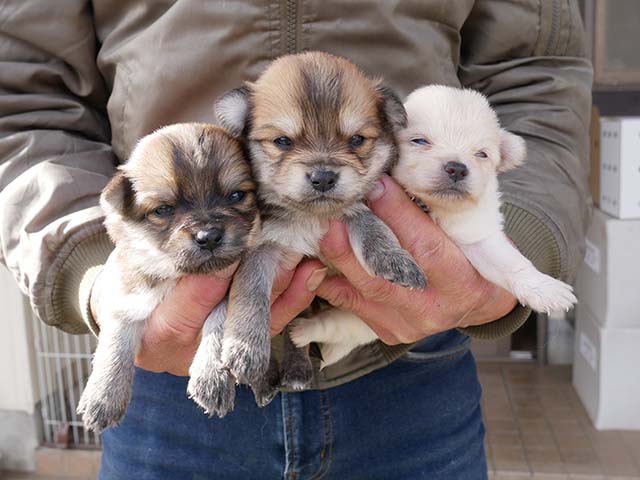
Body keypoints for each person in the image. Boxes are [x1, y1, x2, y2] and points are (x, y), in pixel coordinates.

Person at [0, 1, 592, 478]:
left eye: (358, 141)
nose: (323, 169)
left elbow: (535, 74)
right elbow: (23, 95)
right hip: (167, 369)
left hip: (416, 361)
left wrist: (512, 250)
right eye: (280, 142)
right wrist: (94, 267)